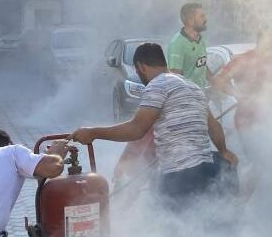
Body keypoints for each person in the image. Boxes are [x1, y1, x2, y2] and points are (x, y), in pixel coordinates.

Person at [70, 43, 239, 201]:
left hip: (180, 176)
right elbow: (214, 126)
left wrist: (93, 133)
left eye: (137, 71)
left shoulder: (157, 85)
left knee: (166, 221)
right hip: (209, 169)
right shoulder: (192, 87)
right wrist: (224, 151)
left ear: (141, 66)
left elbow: (137, 129)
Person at [167, 2, 215, 90]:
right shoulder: (177, 43)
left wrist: (215, 82)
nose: (206, 19)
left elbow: (201, 66)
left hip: (201, 95)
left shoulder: (201, 39)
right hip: (188, 99)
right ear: (190, 21)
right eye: (202, 16)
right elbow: (175, 77)